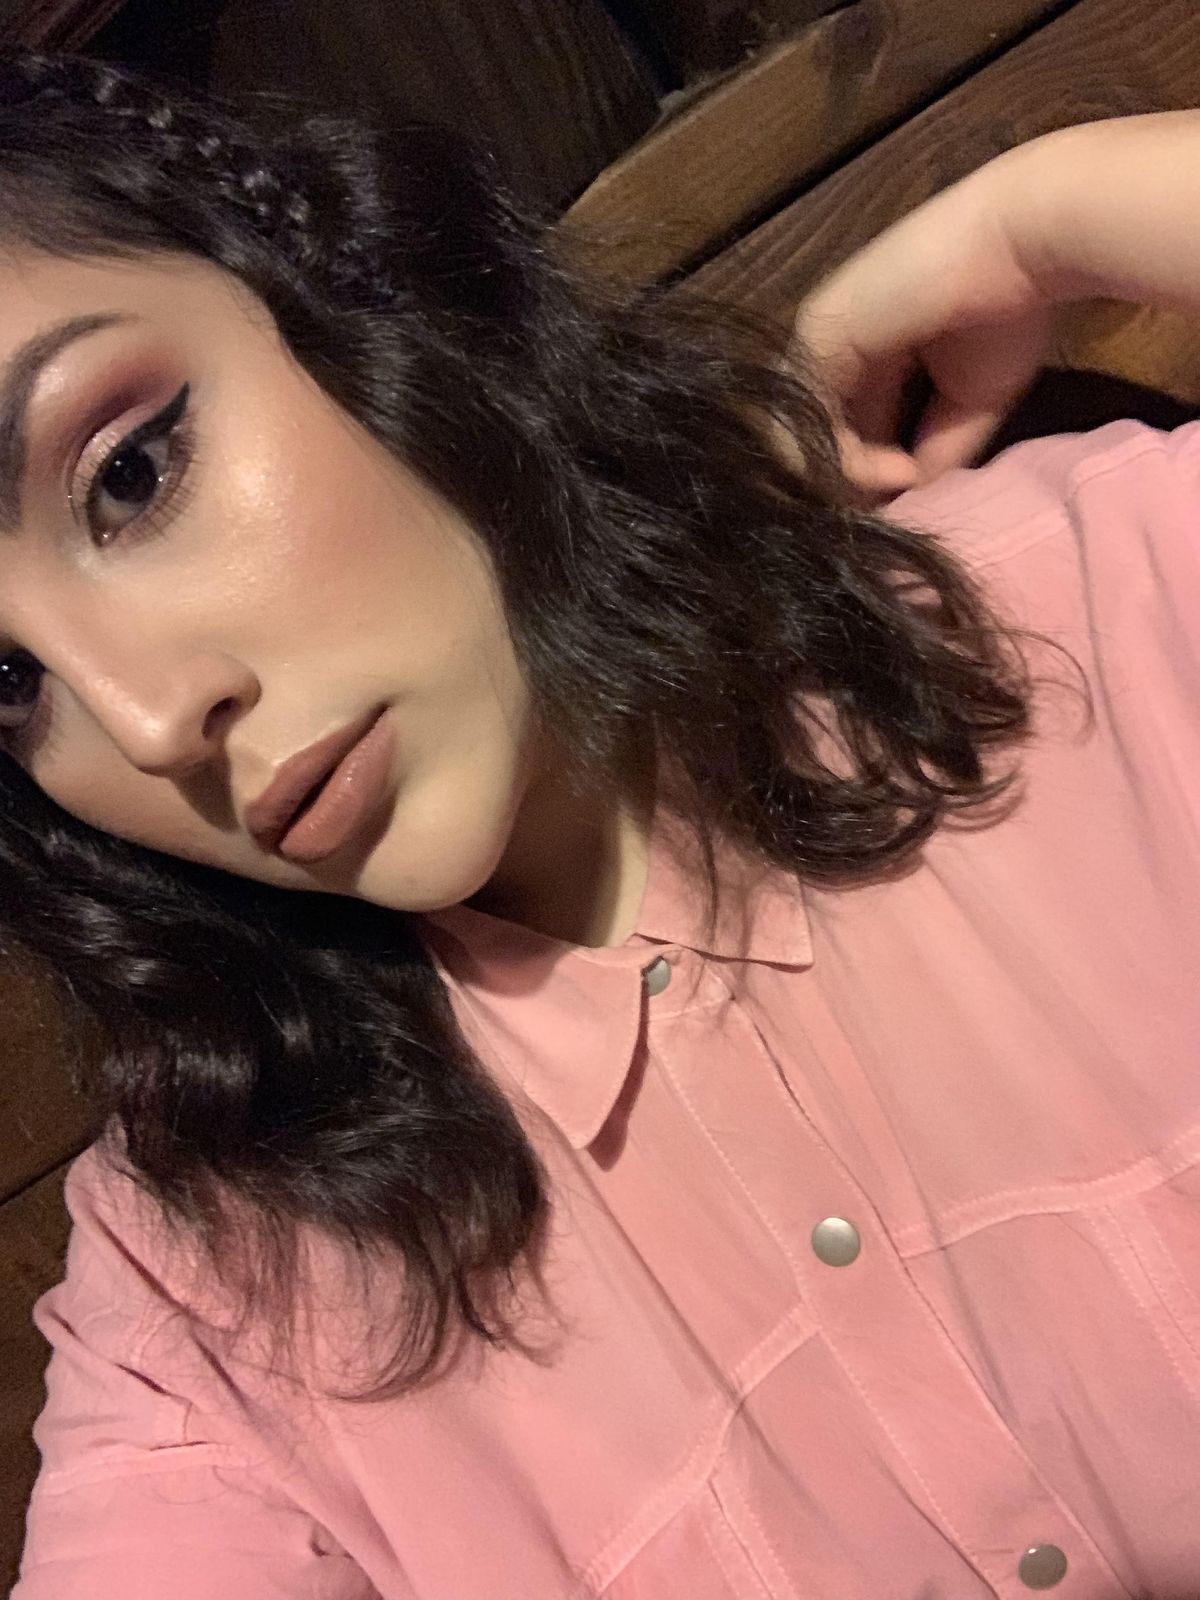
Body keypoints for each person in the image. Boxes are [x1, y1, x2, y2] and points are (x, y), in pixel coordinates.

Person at [3, 42, 1198, 1598]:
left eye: (132, 473)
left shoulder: (1099, 618)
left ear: (342, 299)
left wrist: (1056, 211)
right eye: (7, 685)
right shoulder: (206, 1300)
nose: (151, 720)